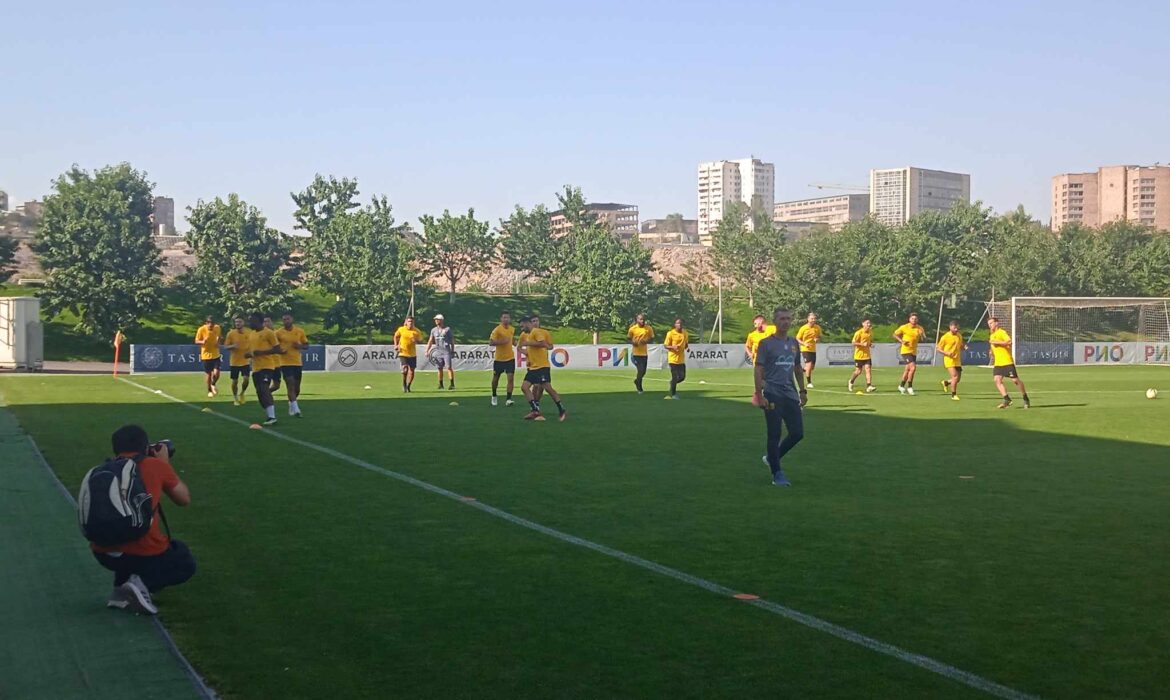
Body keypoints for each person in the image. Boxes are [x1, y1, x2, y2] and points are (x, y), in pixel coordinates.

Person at [92, 425, 195, 615]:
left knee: (124, 531)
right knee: (183, 559)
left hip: (103, 552)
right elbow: (183, 499)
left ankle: (120, 589)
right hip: (142, 552)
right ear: (145, 447)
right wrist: (165, 464)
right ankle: (141, 586)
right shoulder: (154, 466)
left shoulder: (102, 469)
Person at [753, 308, 807, 487]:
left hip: (790, 394)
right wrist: (759, 394)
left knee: (797, 433)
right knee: (774, 433)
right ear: (775, 321)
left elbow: (797, 368)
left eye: (788, 319)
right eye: (782, 319)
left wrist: (802, 391)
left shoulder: (794, 343)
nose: (786, 322)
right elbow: (758, 369)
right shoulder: (766, 344)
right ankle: (777, 473)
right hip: (772, 394)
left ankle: (772, 458)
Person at [519, 315, 566, 421]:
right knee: (524, 387)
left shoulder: (536, 332)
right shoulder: (526, 334)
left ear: (527, 323)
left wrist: (528, 343)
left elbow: (543, 344)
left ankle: (562, 410)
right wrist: (527, 353)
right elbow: (520, 347)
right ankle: (535, 410)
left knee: (548, 388)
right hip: (533, 367)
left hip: (542, 366)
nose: (521, 329)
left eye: (522, 326)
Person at [245, 314, 282, 425]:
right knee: (260, 392)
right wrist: (248, 354)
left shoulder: (268, 333)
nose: (250, 323)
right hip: (255, 368)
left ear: (259, 321)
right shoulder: (251, 334)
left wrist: (262, 353)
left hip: (267, 366)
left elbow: (277, 349)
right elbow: (252, 351)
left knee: (264, 388)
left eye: (252, 321)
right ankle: (269, 414)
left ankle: (272, 417)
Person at [987, 317, 1031, 409]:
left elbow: (1009, 342)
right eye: (989, 323)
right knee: (997, 380)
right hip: (998, 363)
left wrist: (997, 342)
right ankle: (1007, 399)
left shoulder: (1001, 332)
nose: (990, 325)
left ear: (996, 323)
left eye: (991, 323)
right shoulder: (992, 335)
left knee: (1015, 381)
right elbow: (993, 345)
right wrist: (991, 351)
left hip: (1007, 361)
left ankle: (1025, 398)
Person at [276, 312, 310, 417]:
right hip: (285, 363)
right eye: (284, 319)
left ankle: (291, 404)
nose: (286, 321)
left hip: (297, 362)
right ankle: (297, 410)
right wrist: (279, 351)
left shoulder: (299, 331)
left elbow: (306, 345)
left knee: (297, 388)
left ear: (292, 319)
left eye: (288, 319)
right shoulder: (278, 333)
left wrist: (300, 346)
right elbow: (273, 346)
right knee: (290, 384)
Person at [893, 312, 926, 395]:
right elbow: (894, 334)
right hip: (905, 351)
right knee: (913, 368)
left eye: (915, 319)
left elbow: (924, 339)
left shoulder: (920, 328)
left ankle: (901, 386)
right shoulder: (904, 327)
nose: (914, 320)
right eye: (912, 318)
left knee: (908, 369)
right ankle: (910, 387)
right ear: (909, 319)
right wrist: (901, 341)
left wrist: (922, 335)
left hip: (913, 351)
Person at [223, 317, 252, 406]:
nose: (238, 323)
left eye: (239, 321)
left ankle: (242, 393)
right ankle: (235, 398)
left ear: (243, 322)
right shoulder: (231, 333)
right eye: (236, 322)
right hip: (234, 361)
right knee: (235, 381)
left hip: (245, 361)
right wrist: (233, 346)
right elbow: (226, 347)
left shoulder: (249, 333)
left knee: (246, 379)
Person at [489, 312, 516, 406]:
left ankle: (508, 399)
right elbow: (491, 342)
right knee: (496, 378)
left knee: (510, 378)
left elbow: (512, 340)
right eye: (504, 317)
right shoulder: (497, 330)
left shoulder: (512, 329)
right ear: (501, 319)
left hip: (510, 358)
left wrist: (516, 343)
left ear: (510, 319)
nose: (506, 319)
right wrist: (502, 341)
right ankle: (494, 395)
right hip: (499, 359)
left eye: (507, 317)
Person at [936, 320, 966, 401]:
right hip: (949, 360)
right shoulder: (945, 337)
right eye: (954, 328)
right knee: (955, 376)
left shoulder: (959, 335)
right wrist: (946, 353)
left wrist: (963, 347)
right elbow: (938, 348)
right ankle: (953, 395)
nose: (956, 329)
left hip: (957, 359)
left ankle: (946, 383)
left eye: (957, 328)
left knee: (957, 379)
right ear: (950, 327)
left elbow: (960, 345)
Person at [393, 317, 425, 392]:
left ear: (413, 323)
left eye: (411, 321)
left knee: (412, 370)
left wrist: (415, 340)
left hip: (412, 354)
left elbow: (421, 340)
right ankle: (404, 383)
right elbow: (396, 336)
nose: (410, 323)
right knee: (405, 368)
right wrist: (396, 345)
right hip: (403, 352)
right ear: (406, 322)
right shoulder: (401, 329)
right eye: (409, 321)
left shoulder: (416, 331)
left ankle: (408, 385)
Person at [194, 315, 222, 398]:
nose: (211, 325)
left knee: (217, 373)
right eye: (209, 323)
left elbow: (219, 337)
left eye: (212, 324)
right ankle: (209, 390)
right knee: (209, 374)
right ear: (206, 323)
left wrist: (218, 342)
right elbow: (196, 341)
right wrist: (203, 341)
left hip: (216, 354)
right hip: (206, 355)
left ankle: (213, 384)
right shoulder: (201, 329)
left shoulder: (217, 328)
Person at [426, 314, 456, 390]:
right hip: (438, 351)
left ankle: (452, 384)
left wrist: (452, 350)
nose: (436, 321)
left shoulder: (447, 329)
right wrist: (427, 350)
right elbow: (430, 340)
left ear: (441, 320)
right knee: (439, 368)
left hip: (446, 351)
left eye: (437, 319)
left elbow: (452, 340)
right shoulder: (433, 330)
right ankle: (440, 384)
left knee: (448, 367)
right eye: (435, 320)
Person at [627, 313, 655, 394]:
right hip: (635, 354)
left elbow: (652, 338)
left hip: (644, 354)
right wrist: (633, 343)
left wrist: (646, 341)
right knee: (640, 370)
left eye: (643, 319)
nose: (642, 321)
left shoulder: (648, 328)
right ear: (637, 320)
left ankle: (637, 381)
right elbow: (628, 339)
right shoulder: (633, 329)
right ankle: (640, 388)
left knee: (643, 372)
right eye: (641, 319)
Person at [847, 319, 877, 393]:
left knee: (868, 369)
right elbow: (853, 343)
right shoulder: (858, 333)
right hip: (859, 355)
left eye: (869, 323)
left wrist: (870, 345)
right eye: (867, 323)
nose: (869, 324)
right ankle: (851, 381)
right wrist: (862, 344)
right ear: (863, 324)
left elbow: (868, 342)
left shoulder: (870, 332)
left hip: (867, 355)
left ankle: (869, 386)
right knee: (858, 371)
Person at [663, 318, 689, 400]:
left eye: (681, 323)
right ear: (675, 325)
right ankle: (673, 394)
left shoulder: (685, 333)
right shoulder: (670, 333)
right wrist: (673, 347)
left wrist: (686, 347)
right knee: (675, 376)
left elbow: (686, 344)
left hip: (681, 360)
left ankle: (672, 383)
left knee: (682, 377)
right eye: (678, 323)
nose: (679, 325)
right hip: (672, 359)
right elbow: (665, 345)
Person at [795, 312, 822, 389]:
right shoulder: (803, 328)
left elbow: (819, 336)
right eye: (812, 318)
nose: (813, 320)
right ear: (808, 319)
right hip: (805, 349)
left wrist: (817, 339)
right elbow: (797, 338)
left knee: (811, 368)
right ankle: (809, 382)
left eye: (814, 319)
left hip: (813, 349)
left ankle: (802, 370)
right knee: (809, 365)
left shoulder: (817, 328)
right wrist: (804, 344)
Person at [263, 316, 283, 394]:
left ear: (272, 322)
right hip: (266, 364)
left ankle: (266, 394)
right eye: (264, 322)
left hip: (277, 363)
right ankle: (265, 396)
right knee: (265, 383)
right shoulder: (261, 334)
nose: (266, 323)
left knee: (276, 385)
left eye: (268, 321)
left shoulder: (277, 333)